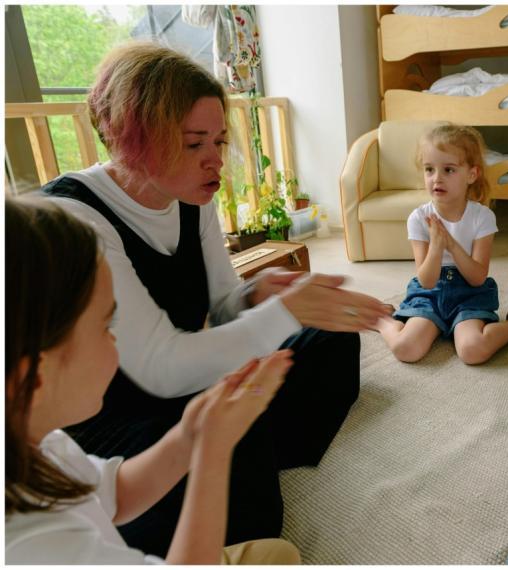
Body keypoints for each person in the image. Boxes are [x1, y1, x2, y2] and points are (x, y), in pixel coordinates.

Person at [43, 41, 390, 557]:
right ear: (132, 137)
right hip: (114, 413)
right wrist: (281, 315)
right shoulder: (78, 217)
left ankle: (247, 449)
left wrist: (255, 296)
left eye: (220, 141)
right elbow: (162, 367)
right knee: (233, 442)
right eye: (193, 144)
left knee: (329, 342)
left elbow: (223, 305)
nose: (215, 160)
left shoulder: (191, 195)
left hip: (184, 375)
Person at [6, 198, 302, 564]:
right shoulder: (28, 545)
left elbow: (118, 494)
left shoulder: (39, 444)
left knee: (277, 553)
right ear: (34, 378)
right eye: (106, 327)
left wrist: (190, 434)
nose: (116, 342)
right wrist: (213, 453)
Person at [376, 124, 508, 365]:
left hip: (469, 293)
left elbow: (478, 278)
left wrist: (451, 245)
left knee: (472, 351)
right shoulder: (418, 218)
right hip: (429, 294)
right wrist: (436, 246)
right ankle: (382, 320)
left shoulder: (482, 217)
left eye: (448, 169)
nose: (436, 178)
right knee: (406, 349)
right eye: (429, 169)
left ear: (471, 174)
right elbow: (426, 281)